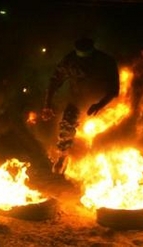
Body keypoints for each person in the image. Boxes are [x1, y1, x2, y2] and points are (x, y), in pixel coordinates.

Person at [41, 37, 120, 174]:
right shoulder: (70, 60)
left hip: (104, 101)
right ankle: (62, 156)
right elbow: (54, 81)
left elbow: (114, 90)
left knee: (110, 134)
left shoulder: (106, 61)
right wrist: (47, 105)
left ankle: (110, 163)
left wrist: (99, 105)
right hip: (77, 100)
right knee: (66, 126)